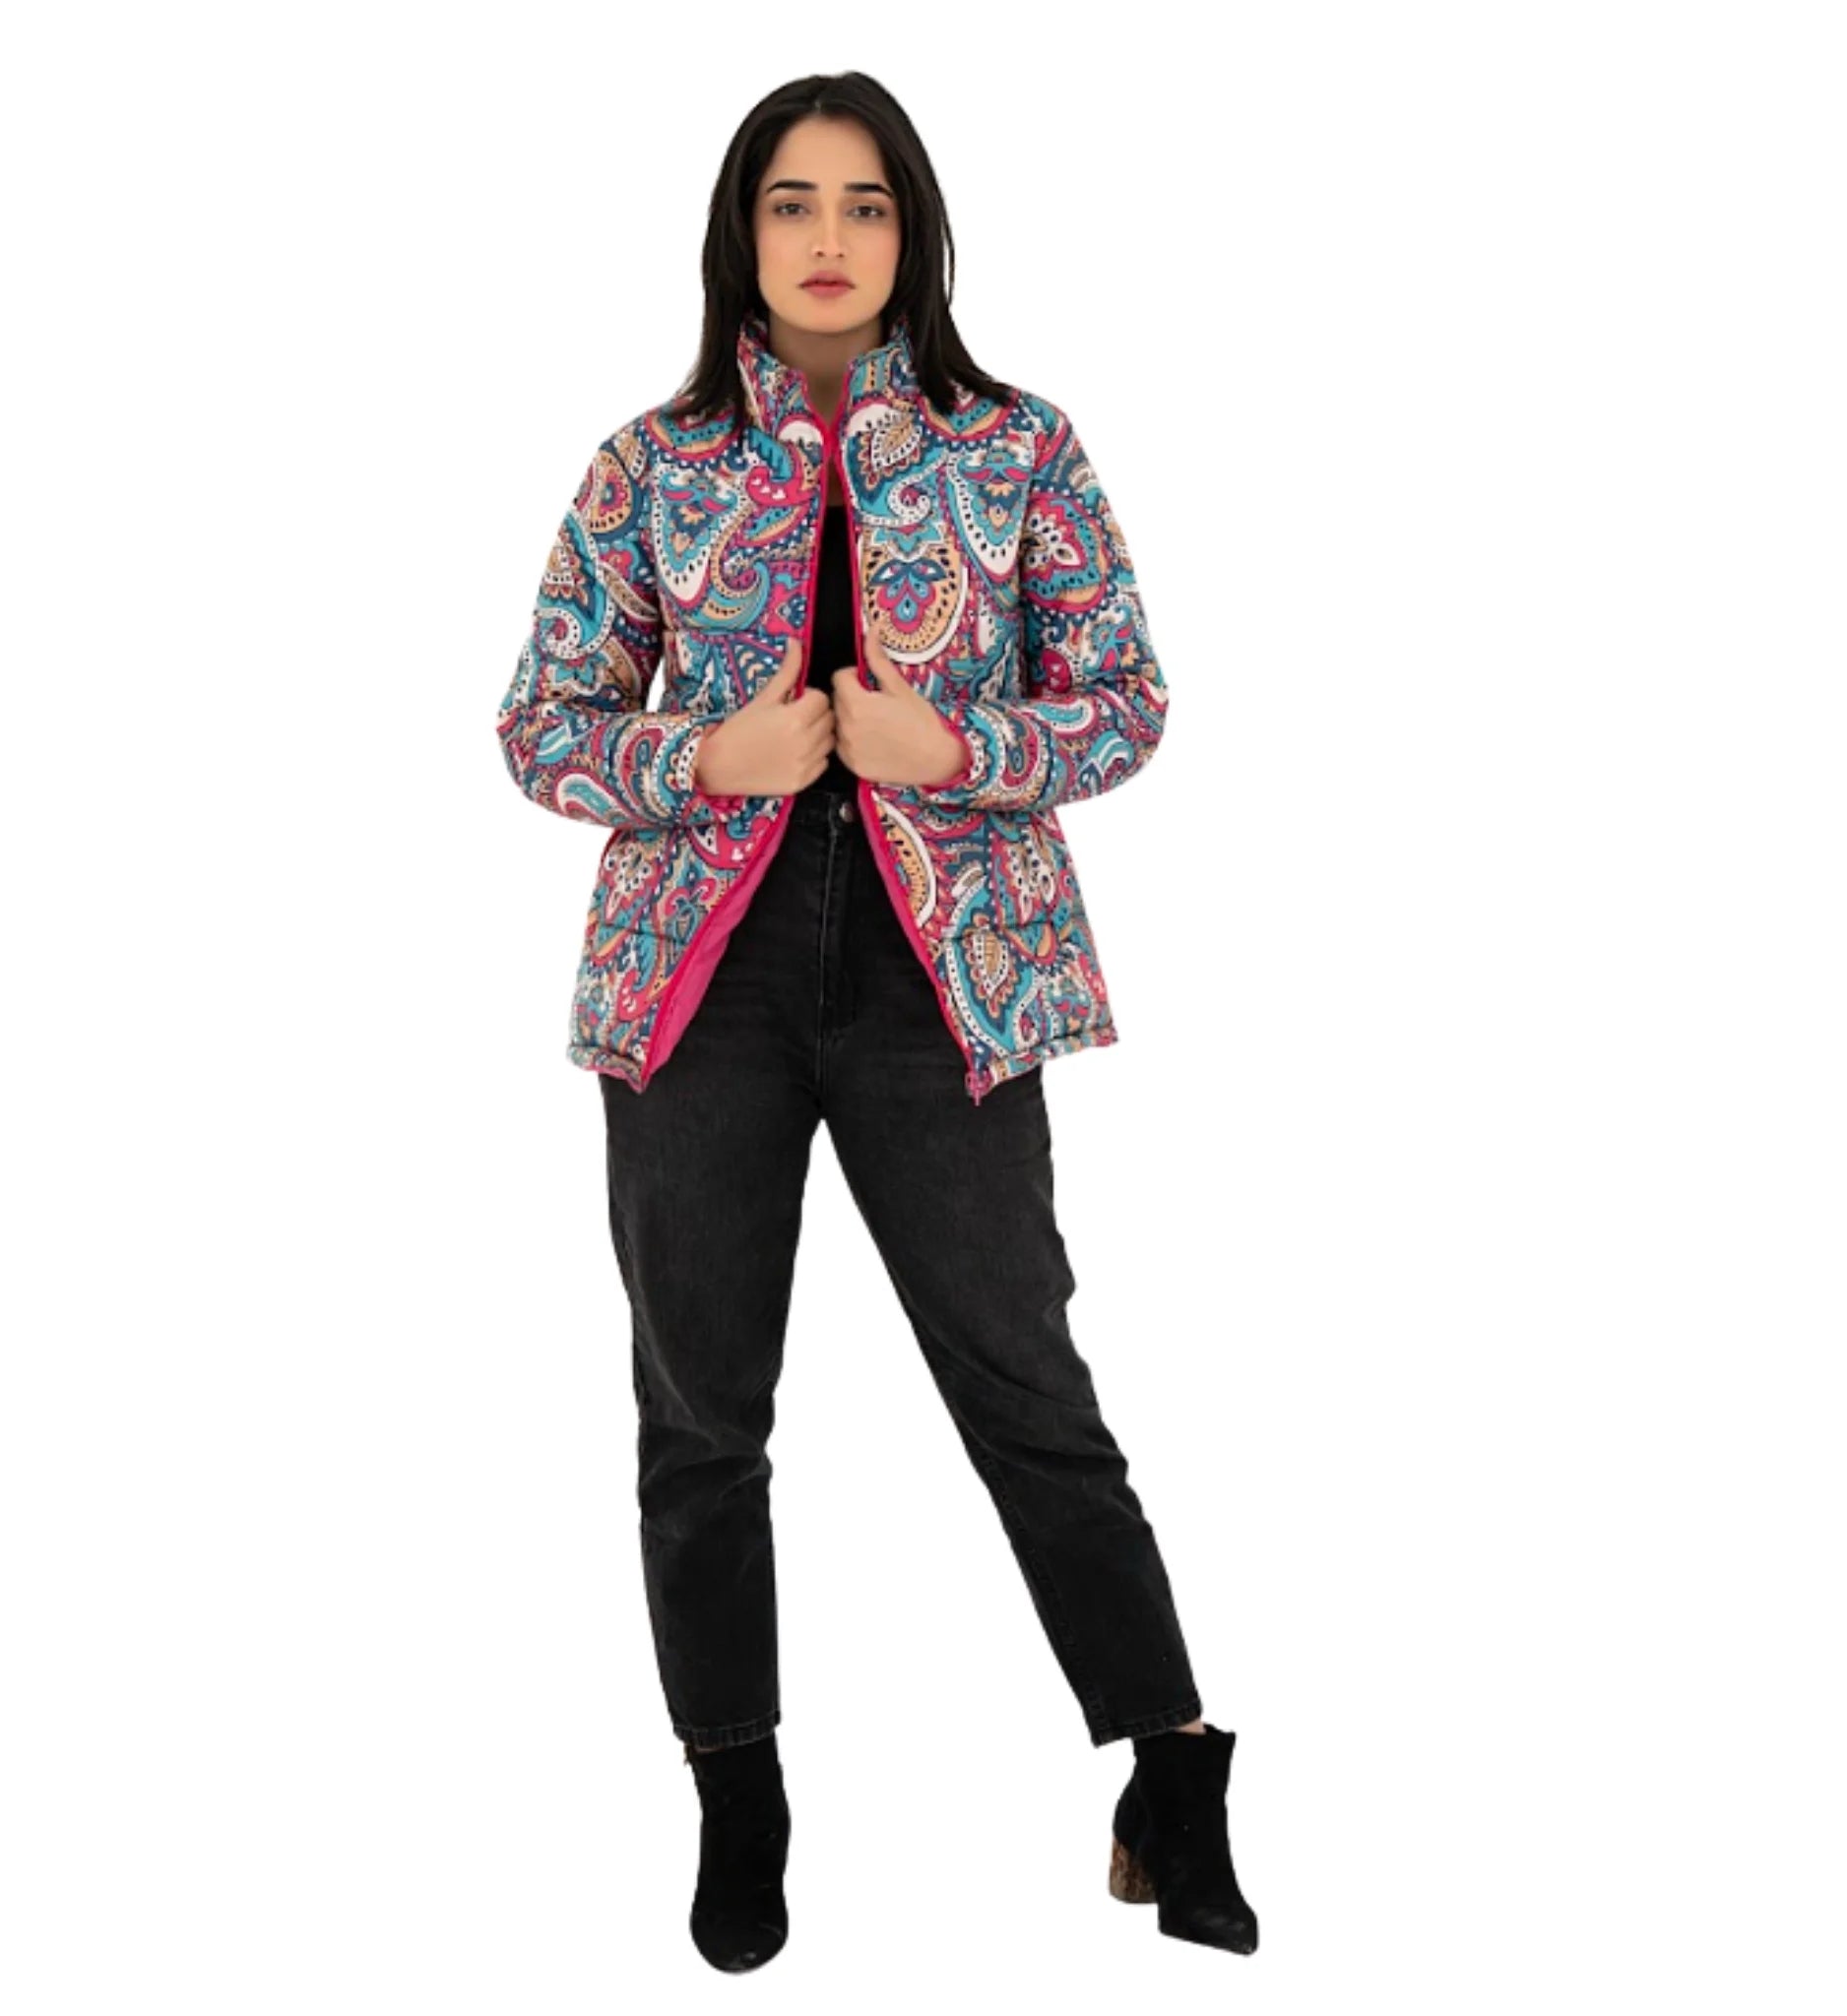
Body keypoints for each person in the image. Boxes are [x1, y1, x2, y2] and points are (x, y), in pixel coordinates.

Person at [495, 71, 1257, 1969]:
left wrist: (955, 747)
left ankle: (1173, 1768)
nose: (827, 240)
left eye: (864, 205)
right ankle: (736, 1793)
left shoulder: (1020, 448)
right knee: (701, 1410)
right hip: (702, 984)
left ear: (913, 233)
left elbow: (1130, 700)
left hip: (952, 977)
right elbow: (539, 725)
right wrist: (708, 759)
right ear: (738, 237)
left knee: (1025, 1381)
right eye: (790, 203)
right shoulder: (651, 464)